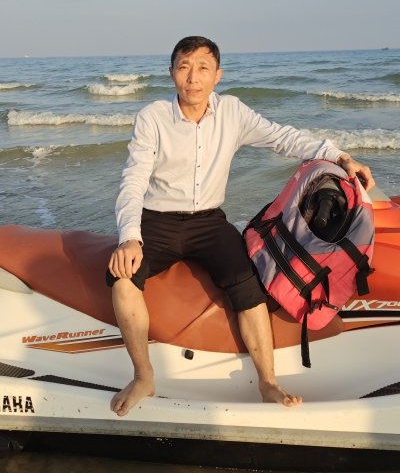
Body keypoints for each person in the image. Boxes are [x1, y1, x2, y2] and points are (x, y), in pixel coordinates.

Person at [107, 36, 374, 417]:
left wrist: (340, 157)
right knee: (123, 279)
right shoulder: (153, 117)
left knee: (247, 284)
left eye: (203, 68)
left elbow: (283, 138)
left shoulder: (232, 112)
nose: (193, 77)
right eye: (184, 67)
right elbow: (133, 180)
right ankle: (143, 376)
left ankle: (268, 382)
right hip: (157, 220)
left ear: (217, 75)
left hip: (208, 222)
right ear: (171, 73)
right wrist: (130, 238)